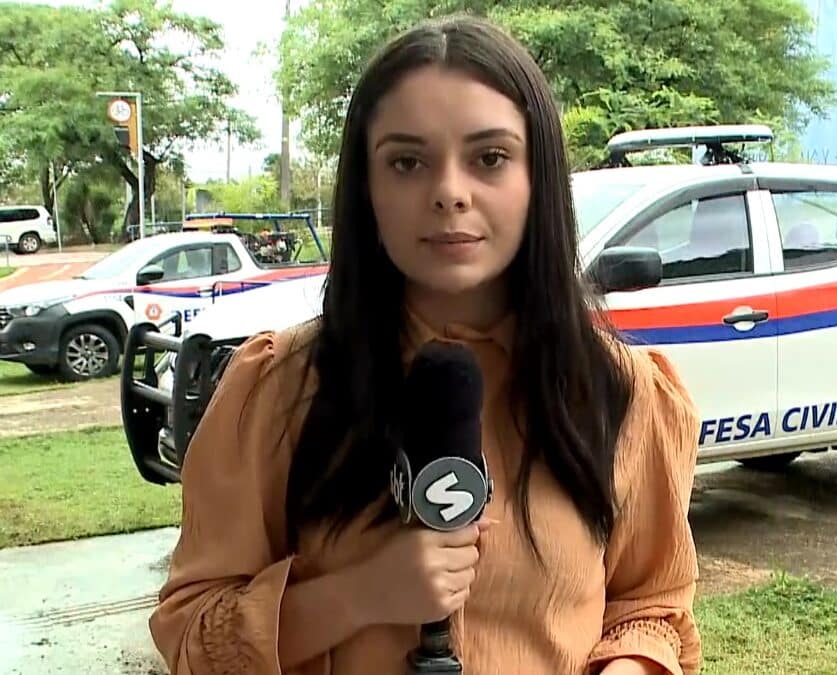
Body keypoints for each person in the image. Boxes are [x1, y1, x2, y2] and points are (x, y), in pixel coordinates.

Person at [149, 14, 702, 675]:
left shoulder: (620, 392)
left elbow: (651, 607)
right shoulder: (279, 388)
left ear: (538, 178)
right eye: (407, 162)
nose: (447, 193)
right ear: (367, 186)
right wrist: (360, 592)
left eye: (489, 158)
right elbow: (192, 640)